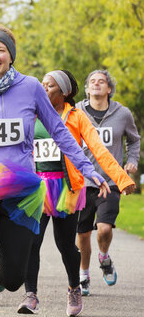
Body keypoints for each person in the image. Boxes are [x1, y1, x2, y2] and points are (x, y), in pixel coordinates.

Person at [0, 26, 110, 317]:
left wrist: (87, 168)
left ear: (10, 56)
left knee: (12, 279)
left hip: (20, 192)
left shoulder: (31, 87)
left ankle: (5, 267)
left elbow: (59, 131)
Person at [16, 70, 135, 316]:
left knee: (65, 245)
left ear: (64, 92)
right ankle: (31, 295)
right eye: (42, 84)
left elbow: (99, 150)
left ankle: (74, 288)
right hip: (36, 188)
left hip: (66, 190)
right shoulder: (31, 113)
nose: (43, 88)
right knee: (31, 243)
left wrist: (121, 180)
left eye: (49, 86)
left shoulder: (77, 116)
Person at [75, 70, 141, 296]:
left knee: (103, 229)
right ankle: (83, 275)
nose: (96, 84)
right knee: (82, 234)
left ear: (109, 89)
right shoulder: (77, 111)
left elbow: (134, 141)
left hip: (110, 181)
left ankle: (104, 257)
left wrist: (131, 162)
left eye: (101, 82)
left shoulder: (122, 114)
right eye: (92, 81)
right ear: (87, 88)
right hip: (83, 181)